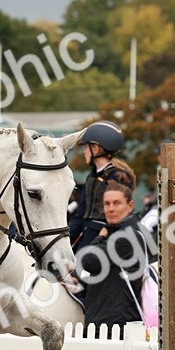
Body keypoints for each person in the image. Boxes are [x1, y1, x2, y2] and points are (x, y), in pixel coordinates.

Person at [74, 183, 156, 336]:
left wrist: (99, 237)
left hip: (114, 325)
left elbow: (90, 261)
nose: (110, 209)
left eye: (117, 203)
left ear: (130, 206)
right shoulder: (118, 232)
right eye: (107, 204)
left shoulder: (126, 237)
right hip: (106, 320)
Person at [69, 121, 137, 253]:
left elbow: (119, 214)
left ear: (95, 148)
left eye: (86, 147)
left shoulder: (118, 177)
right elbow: (80, 215)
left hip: (107, 241)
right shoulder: (91, 177)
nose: (84, 152)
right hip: (86, 237)